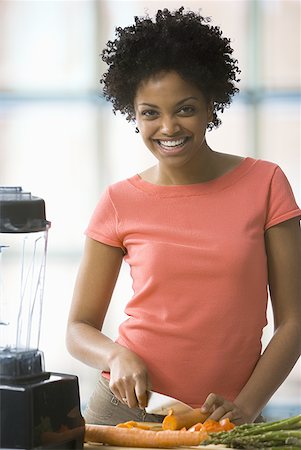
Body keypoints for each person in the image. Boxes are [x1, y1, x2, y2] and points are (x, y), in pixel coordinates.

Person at [66, 7, 301, 426]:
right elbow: (78, 328)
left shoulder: (265, 184)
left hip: (230, 417)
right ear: (133, 114)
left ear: (212, 104)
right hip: (127, 412)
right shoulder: (119, 200)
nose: (168, 127)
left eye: (185, 108)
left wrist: (245, 408)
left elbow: (294, 322)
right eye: (150, 112)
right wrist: (116, 354)